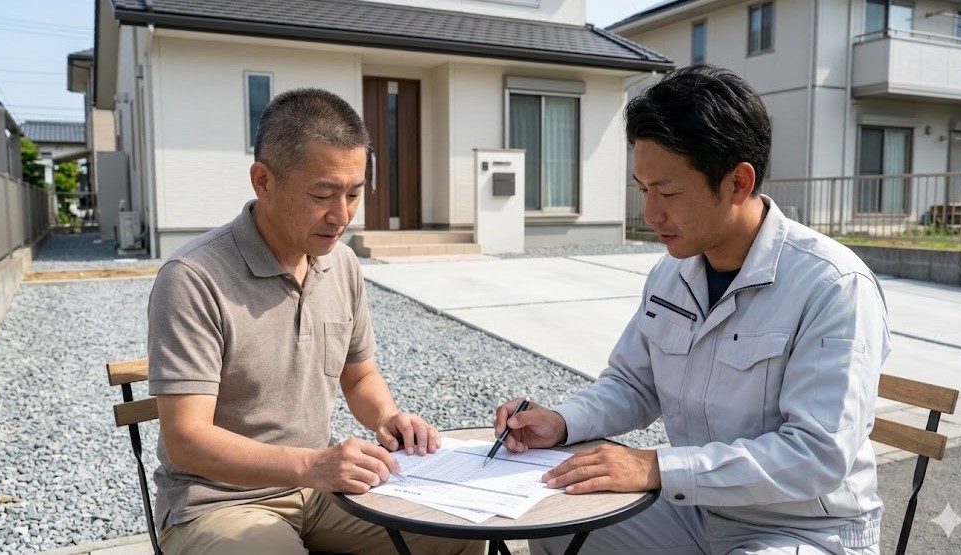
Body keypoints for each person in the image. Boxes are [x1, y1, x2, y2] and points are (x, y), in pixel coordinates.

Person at [494, 64, 890, 555]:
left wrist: (656, 467)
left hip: (803, 529)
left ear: (738, 183)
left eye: (669, 192)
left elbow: (815, 455)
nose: (651, 215)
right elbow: (633, 383)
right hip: (693, 511)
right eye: (643, 190)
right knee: (550, 520)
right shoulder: (673, 273)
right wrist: (562, 421)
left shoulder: (832, 285)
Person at [147, 87, 483, 555]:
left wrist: (389, 418)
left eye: (354, 193)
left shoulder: (340, 264)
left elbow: (359, 373)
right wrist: (311, 465)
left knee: (460, 536)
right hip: (217, 502)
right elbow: (186, 440)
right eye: (322, 193)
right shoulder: (193, 278)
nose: (341, 215)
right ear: (263, 181)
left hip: (319, 492)